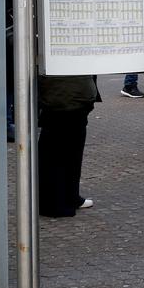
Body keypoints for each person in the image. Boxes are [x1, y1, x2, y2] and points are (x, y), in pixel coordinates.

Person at [37, 73, 98, 217]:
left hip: (68, 93)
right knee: (59, 147)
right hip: (65, 93)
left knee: (69, 146)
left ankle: (67, 196)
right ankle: (55, 202)